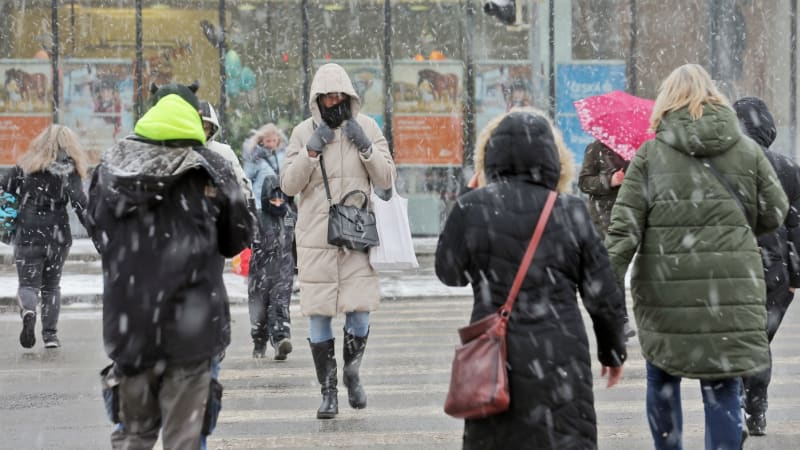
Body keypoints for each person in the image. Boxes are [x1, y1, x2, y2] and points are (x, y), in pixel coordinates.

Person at [604, 64, 789, 450]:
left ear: (666, 102)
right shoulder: (746, 150)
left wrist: (603, 293)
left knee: (662, 378)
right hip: (731, 290)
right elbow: (775, 211)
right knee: (722, 385)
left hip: (664, 290)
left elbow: (624, 230)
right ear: (714, 99)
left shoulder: (650, 156)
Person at [436, 110, 627, 449]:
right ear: (553, 159)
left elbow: (450, 274)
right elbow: (603, 295)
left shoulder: (473, 207)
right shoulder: (571, 211)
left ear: (490, 155)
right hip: (561, 359)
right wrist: (612, 351)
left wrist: (470, 198)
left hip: (496, 360)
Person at [87, 82, 253, 449]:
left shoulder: (112, 165)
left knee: (134, 435)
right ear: (195, 117)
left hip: (130, 330)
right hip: (191, 331)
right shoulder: (212, 168)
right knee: (184, 439)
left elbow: (100, 233)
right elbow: (237, 237)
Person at [280, 63, 394, 419]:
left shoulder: (369, 127)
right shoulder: (302, 132)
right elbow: (288, 185)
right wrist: (310, 152)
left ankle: (352, 372)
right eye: (327, 96)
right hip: (316, 237)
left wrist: (366, 148)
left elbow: (387, 177)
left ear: (348, 96)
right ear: (317, 99)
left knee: (359, 312)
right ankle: (328, 392)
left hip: (357, 233)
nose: (333, 101)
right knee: (319, 315)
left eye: (339, 95)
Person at [733, 96, 800, 436]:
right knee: (758, 342)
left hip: (733, 265)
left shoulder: (725, 165)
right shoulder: (788, 168)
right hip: (775, 271)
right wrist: (794, 280)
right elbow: (798, 225)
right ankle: (754, 408)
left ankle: (737, 406)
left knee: (737, 339)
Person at [0, 124, 90, 349]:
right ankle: (50, 336)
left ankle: (29, 311)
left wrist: (10, 216)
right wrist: (96, 230)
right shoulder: (69, 170)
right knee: (52, 287)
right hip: (57, 236)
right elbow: (80, 204)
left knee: (28, 285)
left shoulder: (25, 166)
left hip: (28, 233)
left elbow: (5, 190)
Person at [578, 140, 636, 339]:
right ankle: (620, 320)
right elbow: (584, 182)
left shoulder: (636, 149)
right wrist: (610, 180)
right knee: (613, 267)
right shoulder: (596, 149)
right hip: (605, 221)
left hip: (633, 216)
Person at [249, 174, 296, 360]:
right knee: (258, 309)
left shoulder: (291, 217)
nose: (277, 203)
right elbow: (245, 240)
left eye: (280, 199)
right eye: (273, 199)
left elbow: (300, 241)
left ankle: (281, 340)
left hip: (284, 270)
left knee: (280, 304)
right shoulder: (257, 218)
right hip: (260, 272)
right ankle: (259, 342)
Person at [244, 123, 287, 210]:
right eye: (268, 141)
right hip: (260, 203)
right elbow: (246, 179)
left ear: (278, 140)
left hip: (279, 202)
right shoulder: (255, 157)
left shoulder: (283, 155)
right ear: (261, 141)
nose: (271, 144)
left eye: (274, 140)